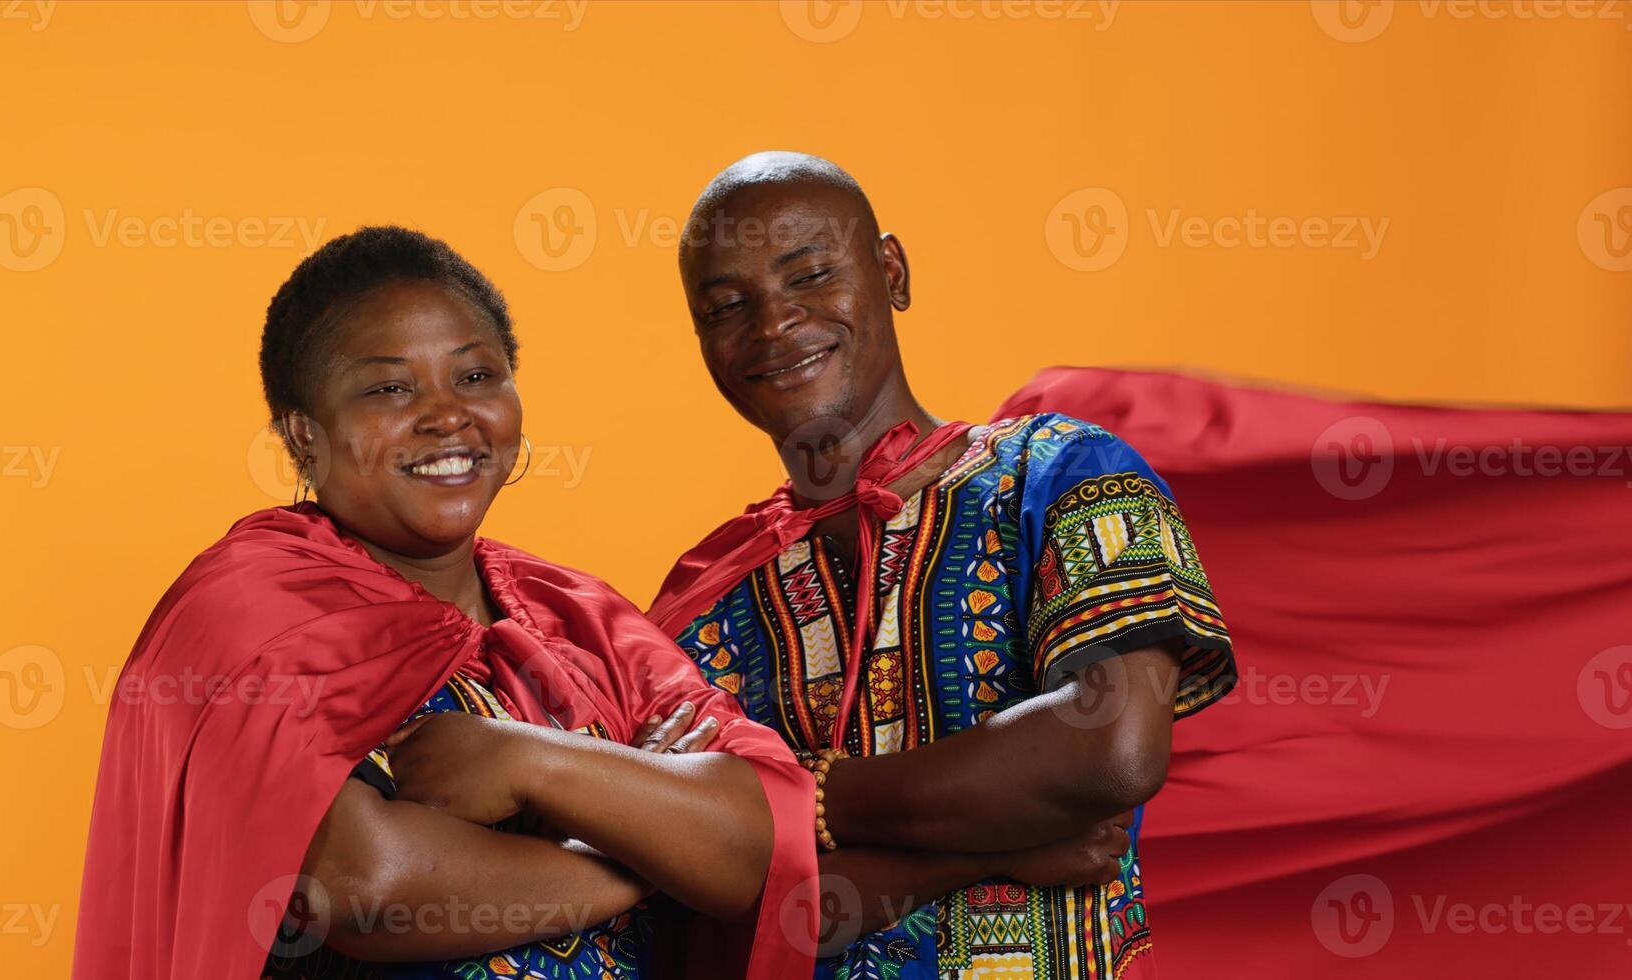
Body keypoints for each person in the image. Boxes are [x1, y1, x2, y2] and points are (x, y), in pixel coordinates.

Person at [72, 226, 818, 980]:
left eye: (474, 377)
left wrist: (531, 765)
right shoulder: (244, 610)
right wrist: (644, 849)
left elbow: (756, 846)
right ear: (304, 435)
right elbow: (366, 885)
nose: (446, 416)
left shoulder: (578, 614)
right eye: (389, 388)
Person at [649, 153, 1239, 979]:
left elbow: (1109, 749)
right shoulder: (708, 595)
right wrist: (977, 847)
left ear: (889, 271)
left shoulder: (1064, 472)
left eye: (811, 275)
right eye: (726, 307)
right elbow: (699, 909)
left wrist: (796, 800)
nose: (774, 324)